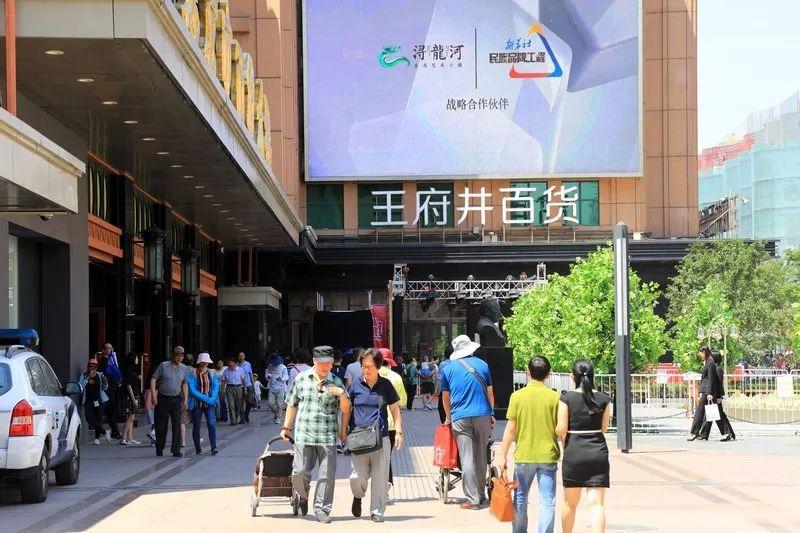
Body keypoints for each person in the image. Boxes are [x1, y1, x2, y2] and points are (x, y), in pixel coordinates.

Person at [281, 346, 351, 523]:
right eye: (322, 363)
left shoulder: (336, 381)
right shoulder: (301, 378)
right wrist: (286, 427)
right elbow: (291, 404)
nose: (326, 366)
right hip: (303, 434)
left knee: (327, 475)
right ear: (314, 361)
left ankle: (322, 509)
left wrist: (342, 395)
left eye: (329, 363)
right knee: (299, 471)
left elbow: (346, 410)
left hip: (327, 436)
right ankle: (303, 496)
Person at [497, 356, 560, 533]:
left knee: (520, 499)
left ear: (527, 372)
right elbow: (561, 429)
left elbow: (510, 429)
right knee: (547, 502)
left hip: (524, 456)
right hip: (548, 455)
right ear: (548, 374)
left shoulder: (517, 396)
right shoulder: (555, 398)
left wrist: (502, 454)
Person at [342, 348, 402, 523]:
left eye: (369, 367)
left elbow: (395, 409)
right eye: (363, 366)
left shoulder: (386, 385)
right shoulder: (355, 385)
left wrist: (399, 431)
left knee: (380, 477)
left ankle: (377, 511)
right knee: (357, 476)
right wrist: (342, 431)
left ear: (378, 367)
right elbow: (347, 410)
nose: (365, 370)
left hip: (381, 437)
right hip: (358, 437)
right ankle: (358, 495)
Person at [556, 359, 612, 533]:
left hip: (574, 451)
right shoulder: (604, 399)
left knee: (570, 503)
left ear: (573, 376)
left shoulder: (566, 398)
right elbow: (603, 428)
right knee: (597, 504)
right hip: (597, 451)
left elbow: (561, 429)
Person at [440, 335, 495, 510]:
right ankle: (481, 494)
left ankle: (472, 499)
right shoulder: (483, 365)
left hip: (460, 417)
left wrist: (448, 417)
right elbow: (490, 392)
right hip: (483, 415)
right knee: (481, 456)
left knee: (466, 457)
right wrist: (491, 413)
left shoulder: (448, 368)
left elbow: (445, 397)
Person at [150, 346, 190, 458]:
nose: (179, 358)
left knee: (177, 424)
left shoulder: (184, 368)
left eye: (181, 356)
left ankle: (176, 449)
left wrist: (185, 399)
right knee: (161, 425)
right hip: (163, 398)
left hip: (176, 399)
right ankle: (159, 448)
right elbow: (153, 379)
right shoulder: (163, 365)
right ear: (173, 355)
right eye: (177, 355)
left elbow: (185, 384)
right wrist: (153, 395)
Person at [377, 348, 407, 487]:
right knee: (386, 455)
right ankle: (385, 482)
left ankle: (381, 483)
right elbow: (403, 401)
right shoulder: (396, 377)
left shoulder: (370, 375)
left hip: (372, 423)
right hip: (392, 424)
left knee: (374, 456)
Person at [688, 346, 727, 442]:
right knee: (714, 413)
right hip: (707, 392)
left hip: (707, 392)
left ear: (704, 352)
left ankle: (695, 432)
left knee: (699, 413)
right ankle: (725, 432)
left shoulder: (710, 362)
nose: (699, 355)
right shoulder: (709, 362)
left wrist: (709, 393)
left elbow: (710, 379)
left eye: (700, 352)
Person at [187, 352, 219, 455]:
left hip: (209, 404)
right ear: (199, 362)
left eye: (206, 361)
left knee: (211, 424)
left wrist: (212, 398)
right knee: (196, 425)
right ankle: (198, 448)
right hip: (197, 404)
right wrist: (206, 398)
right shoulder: (193, 373)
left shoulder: (212, 373)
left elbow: (215, 387)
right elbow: (192, 390)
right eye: (203, 361)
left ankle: (214, 447)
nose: (205, 363)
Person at [79, 359, 110, 445]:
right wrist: (88, 378)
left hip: (98, 401)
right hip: (88, 401)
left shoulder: (100, 375)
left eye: (95, 366)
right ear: (88, 366)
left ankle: (97, 438)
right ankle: (104, 432)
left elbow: (104, 388)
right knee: (90, 420)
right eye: (91, 366)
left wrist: (105, 382)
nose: (93, 368)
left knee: (98, 419)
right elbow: (80, 386)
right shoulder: (84, 375)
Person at [97, 342, 123, 440]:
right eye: (108, 348)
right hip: (106, 390)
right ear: (103, 350)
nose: (110, 350)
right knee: (108, 410)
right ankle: (112, 431)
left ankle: (114, 430)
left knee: (113, 410)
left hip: (114, 388)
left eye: (111, 348)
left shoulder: (112, 359)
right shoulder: (102, 361)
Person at [711, 350, 736, 441]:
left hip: (716, 395)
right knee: (719, 414)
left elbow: (718, 383)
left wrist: (717, 396)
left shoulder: (717, 369)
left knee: (719, 415)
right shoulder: (716, 368)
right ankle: (729, 433)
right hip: (716, 394)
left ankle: (728, 433)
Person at [120, 352, 142, 446]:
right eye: (136, 358)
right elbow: (129, 386)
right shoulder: (130, 372)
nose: (138, 359)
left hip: (133, 396)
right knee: (130, 418)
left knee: (131, 418)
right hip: (131, 397)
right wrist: (133, 399)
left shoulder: (131, 371)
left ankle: (129, 438)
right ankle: (123, 438)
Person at [265, 354, 289, 424]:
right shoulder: (269, 366)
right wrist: (268, 377)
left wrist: (281, 379)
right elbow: (266, 374)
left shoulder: (283, 367)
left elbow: (286, 377)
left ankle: (278, 418)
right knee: (270, 403)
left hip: (280, 387)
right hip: (272, 387)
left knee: (279, 404)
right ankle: (276, 414)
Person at [223, 358, 247, 425]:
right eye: (228, 363)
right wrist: (222, 390)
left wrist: (245, 389)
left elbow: (243, 380)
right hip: (229, 388)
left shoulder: (240, 370)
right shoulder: (226, 371)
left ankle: (241, 418)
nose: (230, 364)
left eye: (231, 363)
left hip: (238, 388)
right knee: (231, 405)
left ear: (235, 363)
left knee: (239, 404)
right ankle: (233, 421)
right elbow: (223, 381)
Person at [237, 352, 254, 424]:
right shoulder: (236, 365)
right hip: (240, 386)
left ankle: (246, 414)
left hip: (248, 384)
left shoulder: (248, 364)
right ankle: (242, 418)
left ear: (244, 356)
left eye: (242, 355)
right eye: (240, 356)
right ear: (238, 357)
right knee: (240, 402)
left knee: (249, 401)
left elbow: (250, 374)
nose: (241, 357)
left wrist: (253, 384)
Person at [215, 359, 228, 423]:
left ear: (223, 364)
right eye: (218, 363)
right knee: (216, 403)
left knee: (223, 402)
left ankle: (224, 417)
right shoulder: (214, 371)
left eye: (221, 363)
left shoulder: (226, 369)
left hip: (223, 387)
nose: (219, 364)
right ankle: (217, 417)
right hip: (216, 387)